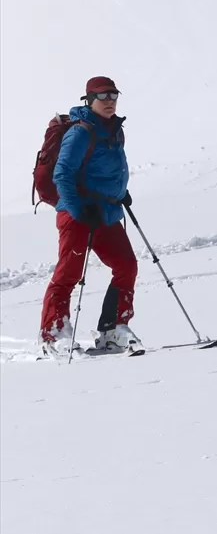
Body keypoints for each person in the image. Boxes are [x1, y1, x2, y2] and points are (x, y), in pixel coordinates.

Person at [39, 76, 139, 356]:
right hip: (77, 214)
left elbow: (108, 167)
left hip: (106, 211)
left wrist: (121, 192)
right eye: (103, 97)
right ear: (90, 100)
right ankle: (53, 334)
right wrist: (78, 209)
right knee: (68, 273)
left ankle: (113, 329)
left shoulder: (116, 130)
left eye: (113, 96)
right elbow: (62, 174)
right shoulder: (80, 132)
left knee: (126, 265)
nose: (109, 102)